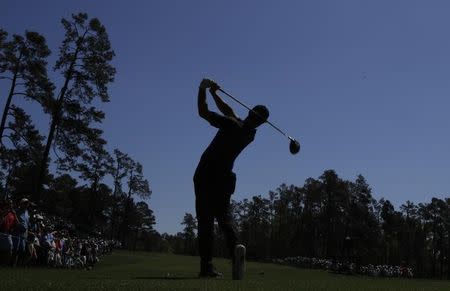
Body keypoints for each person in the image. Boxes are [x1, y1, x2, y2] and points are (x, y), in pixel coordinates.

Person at [194, 78, 269, 277]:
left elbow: (203, 112)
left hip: (206, 174)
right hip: (224, 179)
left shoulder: (233, 125)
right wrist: (215, 94)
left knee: (206, 221)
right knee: (225, 220)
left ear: (250, 111)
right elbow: (230, 112)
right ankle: (237, 260)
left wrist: (202, 89)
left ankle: (207, 266)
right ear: (261, 123)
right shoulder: (250, 133)